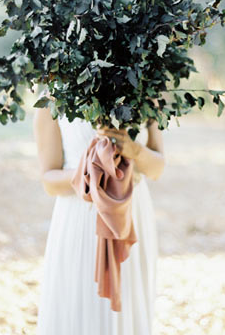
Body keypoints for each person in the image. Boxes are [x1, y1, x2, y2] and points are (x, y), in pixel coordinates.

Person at [34, 109, 165, 334]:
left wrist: (133, 150)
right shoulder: (52, 100)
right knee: (82, 307)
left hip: (132, 213)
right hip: (81, 219)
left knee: (129, 304)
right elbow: (49, 181)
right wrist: (91, 171)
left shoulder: (144, 83)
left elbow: (157, 168)